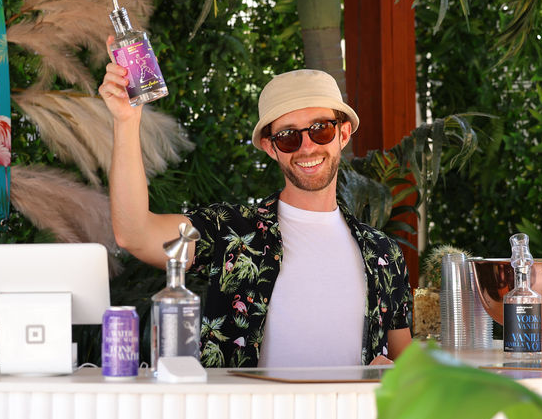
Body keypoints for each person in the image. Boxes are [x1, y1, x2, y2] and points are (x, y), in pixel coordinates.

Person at [99, 60, 412, 368]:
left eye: (320, 129)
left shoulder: (384, 253)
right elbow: (135, 233)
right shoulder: (231, 232)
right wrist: (126, 122)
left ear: (343, 134)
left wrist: (395, 373)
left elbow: (406, 367)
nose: (306, 146)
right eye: (288, 136)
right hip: (247, 417)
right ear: (270, 146)